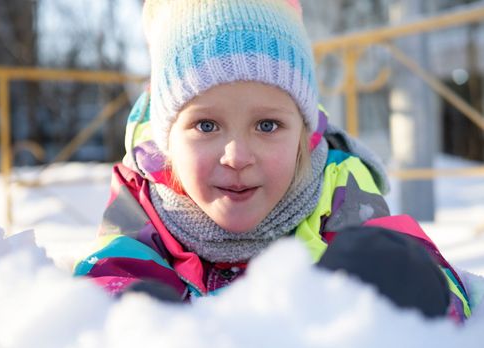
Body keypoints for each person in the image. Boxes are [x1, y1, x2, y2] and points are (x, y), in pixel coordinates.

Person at [73, 0, 475, 322]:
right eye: (207, 125)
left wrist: (402, 285)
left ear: (303, 131)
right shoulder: (143, 191)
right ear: (168, 138)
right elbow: (110, 273)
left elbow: (442, 290)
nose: (237, 156)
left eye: (267, 125)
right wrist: (132, 314)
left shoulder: (336, 182)